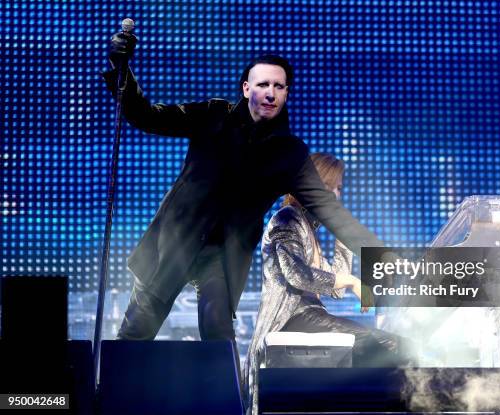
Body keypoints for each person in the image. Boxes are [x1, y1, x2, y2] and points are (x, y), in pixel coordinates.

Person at [102, 33, 382, 352]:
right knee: (137, 332)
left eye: (278, 86)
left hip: (222, 257)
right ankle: (110, 396)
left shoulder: (289, 153)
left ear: (287, 93)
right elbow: (147, 116)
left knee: (219, 338)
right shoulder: (213, 115)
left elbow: (331, 212)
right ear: (246, 88)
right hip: (173, 242)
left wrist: (383, 258)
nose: (270, 93)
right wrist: (120, 67)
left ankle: (222, 401)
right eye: (262, 85)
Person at [243, 153, 410, 415]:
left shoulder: (309, 227)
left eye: (339, 188)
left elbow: (335, 287)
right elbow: (297, 274)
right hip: (291, 318)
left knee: (394, 347)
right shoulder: (286, 218)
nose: (336, 195)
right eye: (328, 186)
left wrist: (343, 236)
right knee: (391, 346)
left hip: (310, 315)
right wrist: (353, 281)